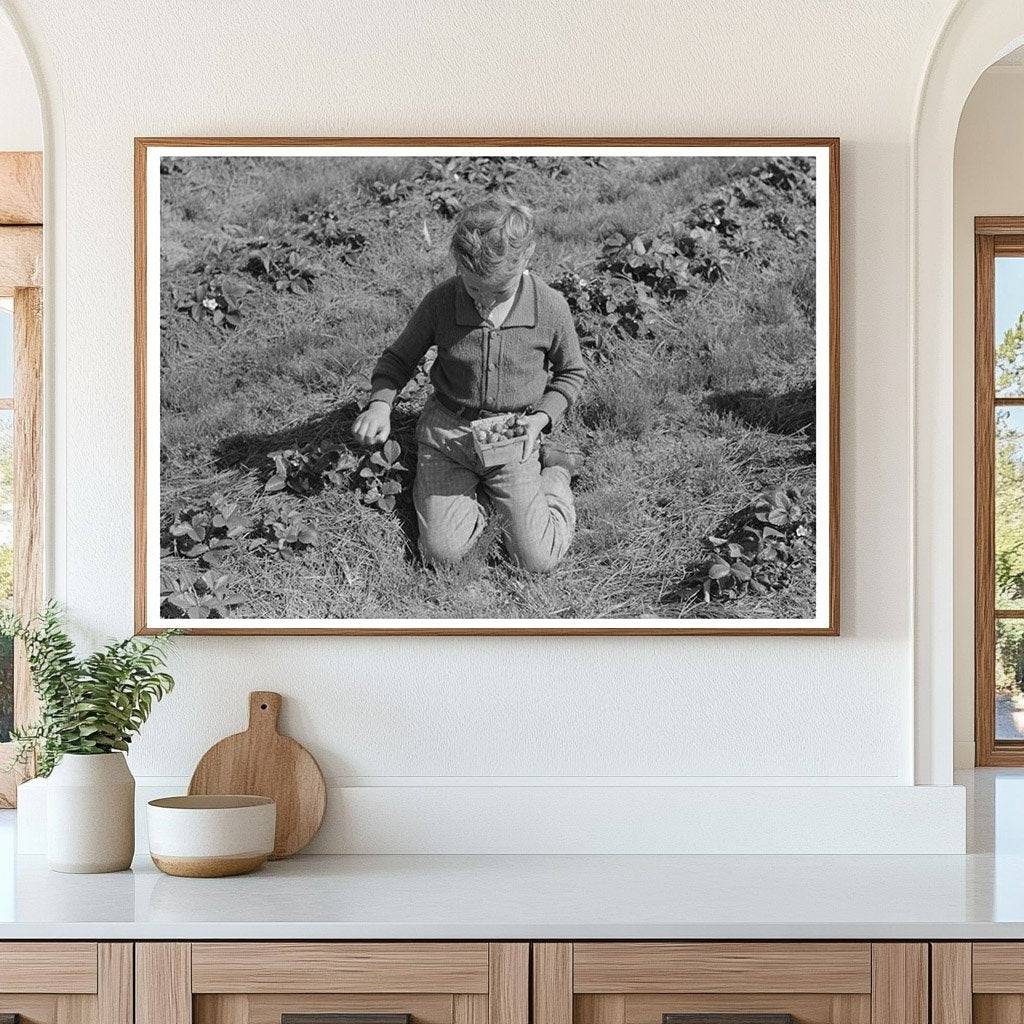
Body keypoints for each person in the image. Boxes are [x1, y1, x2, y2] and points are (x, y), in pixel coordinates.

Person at [352, 195, 586, 572]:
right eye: (475, 289)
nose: (484, 300)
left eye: (499, 290)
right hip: (448, 437)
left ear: (527, 259)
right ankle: (486, 501)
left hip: (513, 436)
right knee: (441, 554)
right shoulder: (442, 301)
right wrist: (380, 404)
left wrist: (540, 420)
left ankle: (555, 471)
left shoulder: (551, 307)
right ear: (459, 266)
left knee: (537, 559)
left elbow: (571, 373)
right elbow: (399, 358)